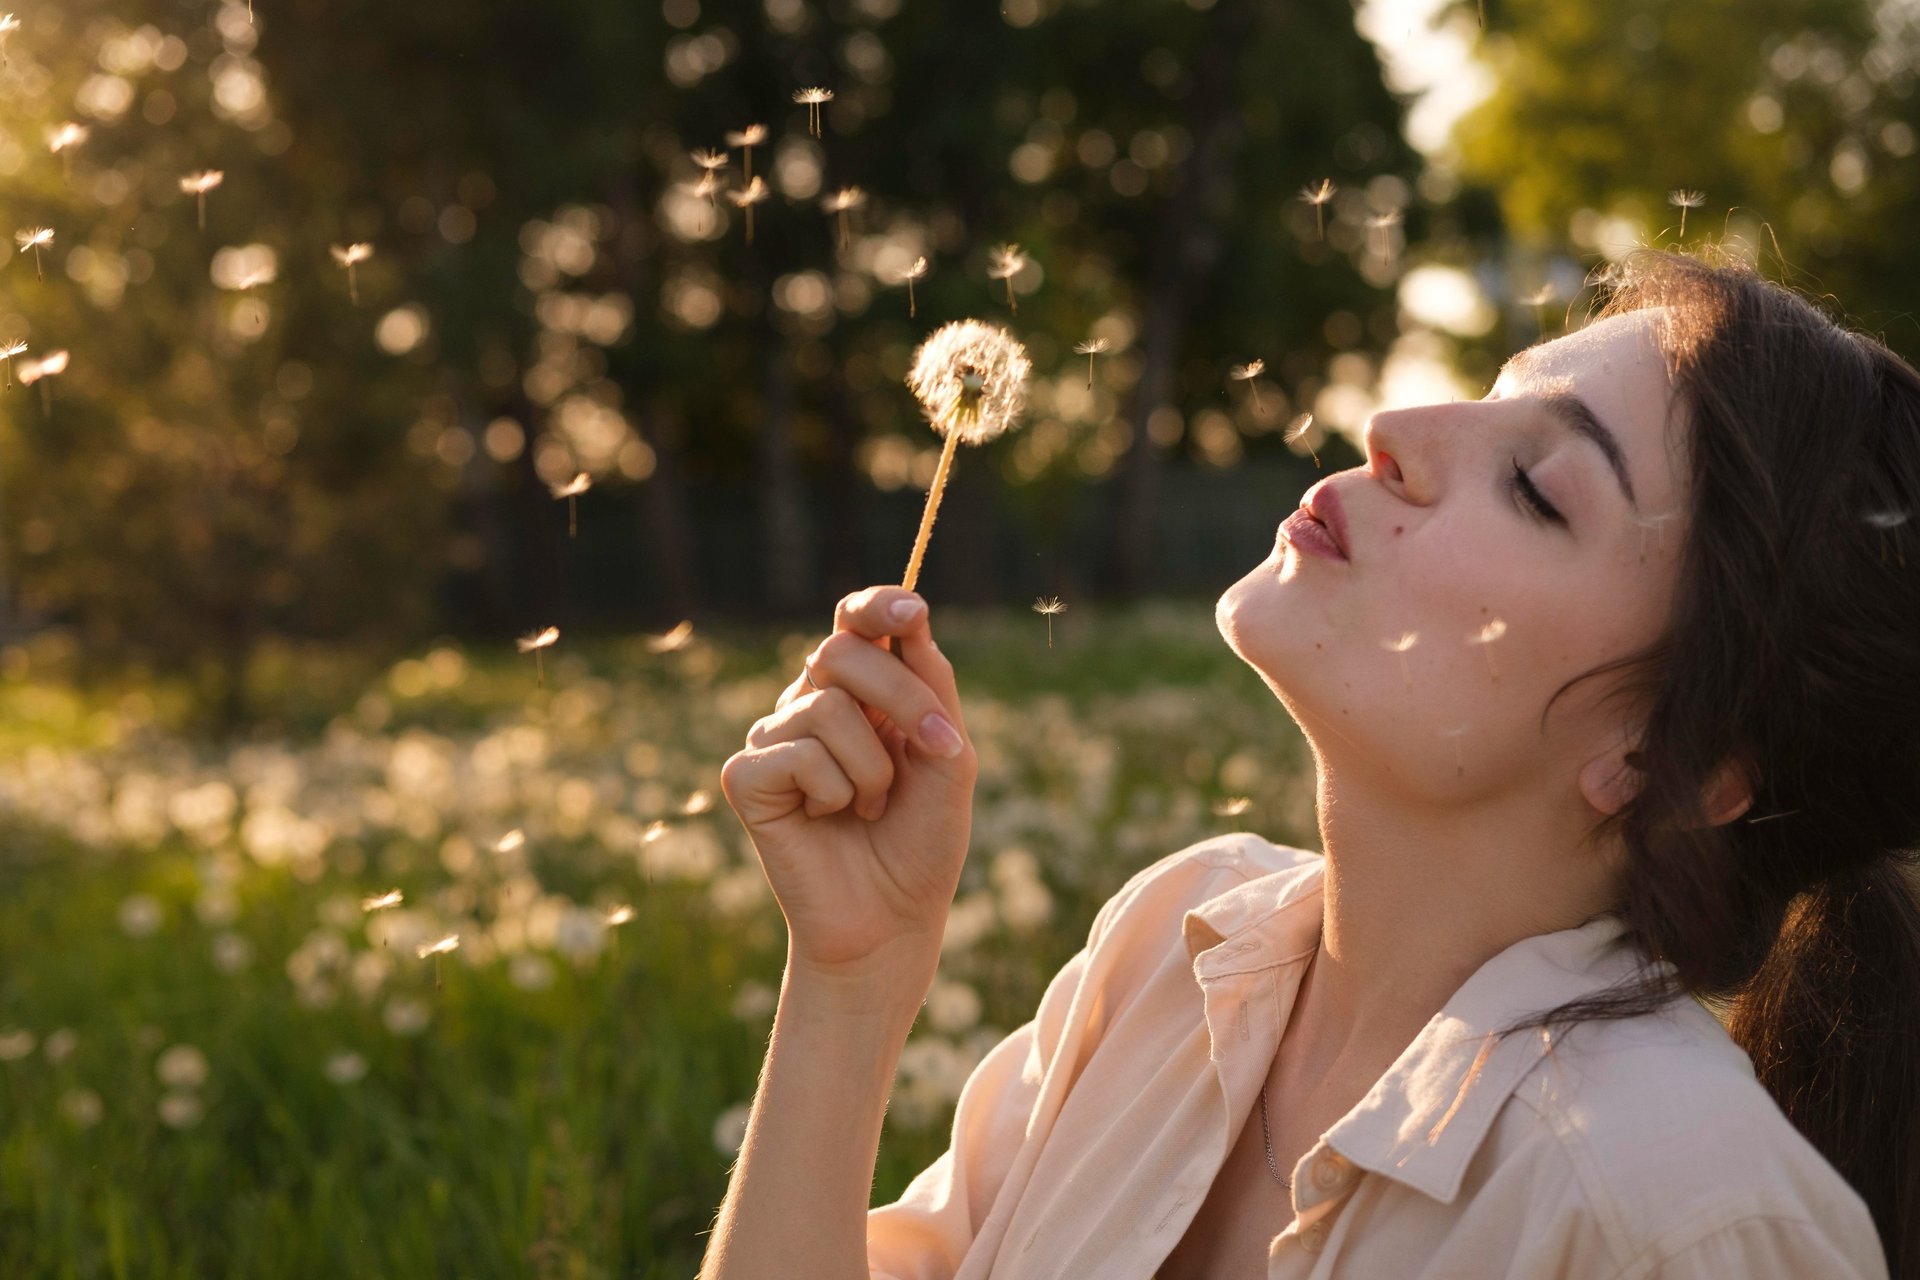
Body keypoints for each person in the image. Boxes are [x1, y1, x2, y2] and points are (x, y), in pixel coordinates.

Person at [698, 248, 1920, 1280]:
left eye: (1537, 486)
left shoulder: (1668, 1215)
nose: (1393, 430)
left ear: (1677, 756)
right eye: (1483, 393)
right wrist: (852, 980)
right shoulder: (1173, 946)